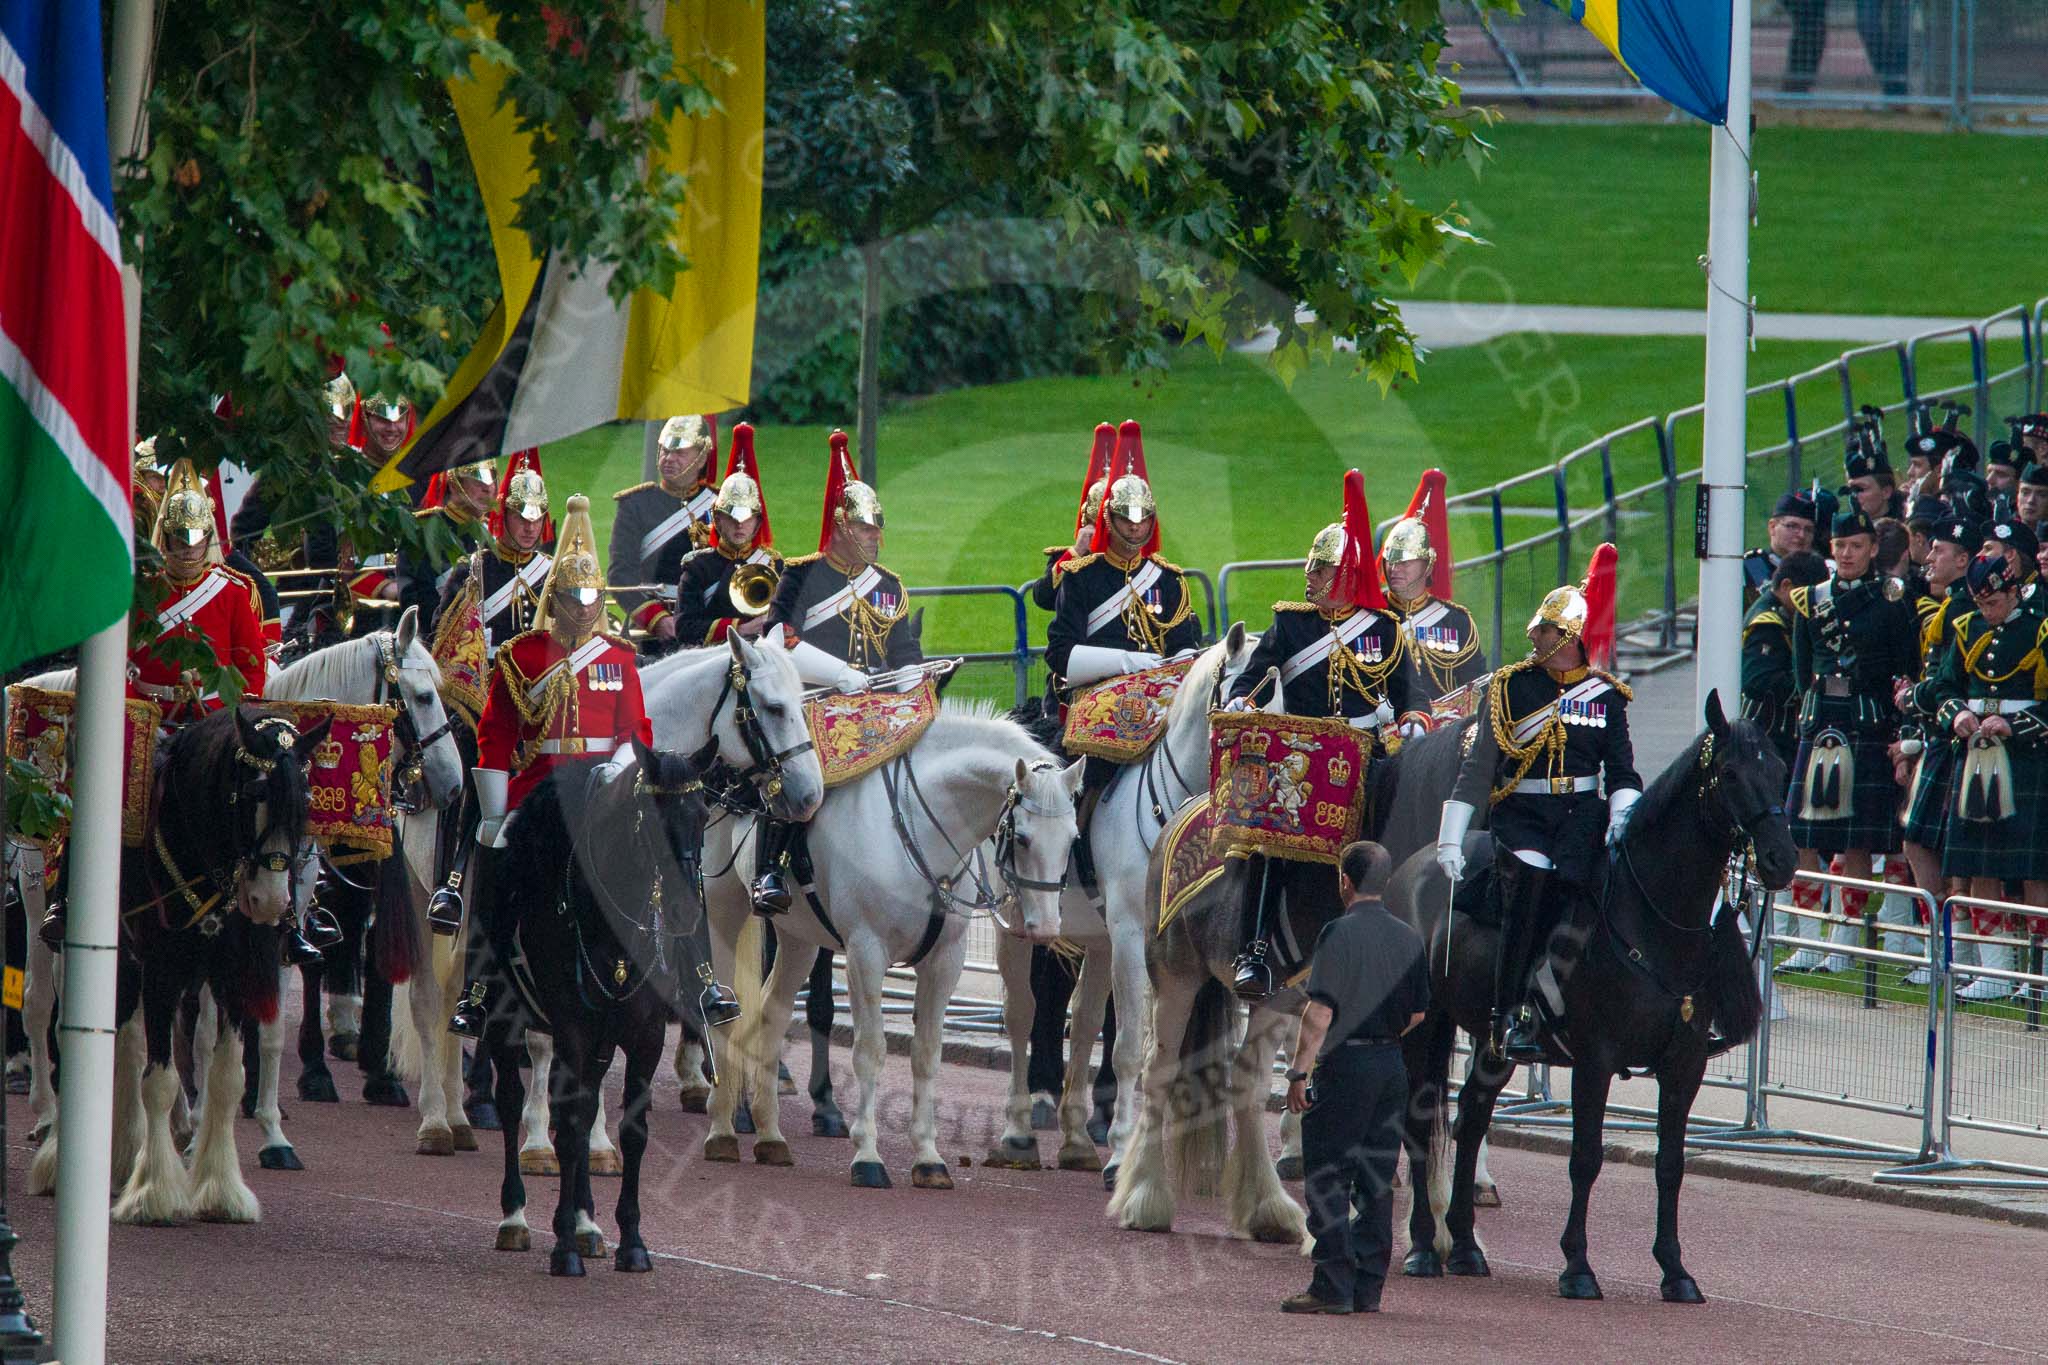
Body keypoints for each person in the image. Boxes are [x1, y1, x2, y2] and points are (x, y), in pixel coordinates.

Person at [449, 494, 658, 1040]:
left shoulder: (617, 658)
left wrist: (616, 775)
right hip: (539, 786)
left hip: (600, 782)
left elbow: (636, 733)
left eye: (592, 598)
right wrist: (495, 811)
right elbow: (495, 735)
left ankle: (693, 980)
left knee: (669, 855)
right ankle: (478, 985)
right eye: (574, 597)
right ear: (556, 598)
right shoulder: (522, 656)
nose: (585, 608)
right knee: (494, 864)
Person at [1223, 470, 1425, 999]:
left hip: (1369, 756)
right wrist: (1241, 699)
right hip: (1306, 757)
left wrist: (1415, 720)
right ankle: (1255, 951)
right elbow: (1255, 676)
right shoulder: (1291, 625)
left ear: (1345, 574)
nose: (1309, 577)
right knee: (1271, 838)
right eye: (1312, 568)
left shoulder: (1383, 630)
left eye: (1320, 569)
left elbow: (1413, 695)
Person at [1435, 547, 1639, 1062]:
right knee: (1531, 892)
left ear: (1569, 637)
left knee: (1606, 897)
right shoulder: (1510, 687)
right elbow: (1480, 768)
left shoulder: (1606, 697)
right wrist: (1450, 835)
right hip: (1523, 817)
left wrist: (1621, 818)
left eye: (1545, 630)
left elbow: (1622, 771)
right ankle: (1506, 1014)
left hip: (1582, 818)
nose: (1534, 636)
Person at [748, 431, 923, 913]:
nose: (875, 538)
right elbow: (776, 638)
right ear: (841, 526)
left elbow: (903, 648)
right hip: (814, 703)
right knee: (799, 775)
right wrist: (837, 673)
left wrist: (912, 686)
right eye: (867, 530)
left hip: (874, 703)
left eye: (877, 529)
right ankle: (771, 870)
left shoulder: (887, 585)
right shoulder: (802, 574)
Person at [1044, 419, 1203, 875]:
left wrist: (1173, 664)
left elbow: (1186, 645)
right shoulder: (1081, 577)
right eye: (1125, 520)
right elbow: (1062, 654)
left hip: (1160, 695)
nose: (1134, 530)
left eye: (1143, 521)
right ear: (1107, 519)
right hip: (1099, 695)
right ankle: (1072, 862)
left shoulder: (1168, 580)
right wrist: (1127, 661)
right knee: (1087, 774)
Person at [1280, 840, 1427, 1316]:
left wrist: (1299, 1070)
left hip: (1346, 1066)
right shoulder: (1409, 937)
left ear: (1345, 881)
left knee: (1328, 1175)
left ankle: (1331, 1284)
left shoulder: (1336, 933)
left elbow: (1319, 1011)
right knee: (1377, 1181)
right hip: (1391, 1067)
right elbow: (1419, 1015)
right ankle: (1367, 1287)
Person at [1777, 505, 1919, 975]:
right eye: (1840, 546)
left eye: (1856, 546)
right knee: (1805, 836)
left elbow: (1907, 664)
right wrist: (1810, 710)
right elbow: (1802, 667)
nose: (1847, 554)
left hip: (1866, 720)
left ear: (1873, 548)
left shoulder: (1892, 600)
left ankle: (1845, 939)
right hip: (1822, 722)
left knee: (1854, 842)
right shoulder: (1810, 599)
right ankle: (1808, 937)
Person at [1922, 553, 2048, 1002]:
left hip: (2027, 760)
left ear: (2013, 591)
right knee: (1977, 867)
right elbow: (1942, 686)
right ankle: (1995, 970)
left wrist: (2017, 724)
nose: (1986, 611)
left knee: (2034, 872)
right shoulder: (1966, 630)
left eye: (1993, 601)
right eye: (1981, 603)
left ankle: (2040, 973)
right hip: (1974, 755)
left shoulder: (2040, 631)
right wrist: (1955, 714)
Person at [610, 414, 721, 653]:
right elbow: (621, 575)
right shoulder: (635, 504)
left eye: (680, 453)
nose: (669, 459)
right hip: (654, 632)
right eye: (665, 451)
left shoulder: (718, 503)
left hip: (709, 624)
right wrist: (657, 619)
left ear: (701, 458)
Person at [1379, 469, 1485, 700]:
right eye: (1391, 561)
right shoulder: (1370, 614)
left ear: (1428, 565)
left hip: (1439, 730)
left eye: (1405, 562)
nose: (1394, 569)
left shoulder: (1456, 621)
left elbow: (1476, 687)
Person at [671, 422, 781, 647]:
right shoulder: (698, 568)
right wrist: (740, 628)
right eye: (732, 517)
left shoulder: (773, 564)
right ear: (718, 519)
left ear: (757, 521)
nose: (740, 524)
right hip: (713, 658)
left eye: (747, 518)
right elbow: (685, 628)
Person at [1743, 550, 1829, 772]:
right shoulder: (1767, 623)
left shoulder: (1788, 615)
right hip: (1770, 735)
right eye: (1805, 595)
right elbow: (1757, 680)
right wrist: (1809, 683)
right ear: (1786, 586)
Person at [393, 457, 497, 629]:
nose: (488, 488)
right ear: (455, 485)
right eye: (477, 479)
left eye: (491, 479)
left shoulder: (493, 533)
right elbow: (415, 601)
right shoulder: (423, 531)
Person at [1742, 491, 1818, 606]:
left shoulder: (1816, 572)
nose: (1801, 535)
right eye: (1792, 526)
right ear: (1772, 527)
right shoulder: (1753, 565)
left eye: (1808, 529)